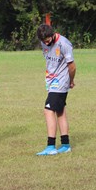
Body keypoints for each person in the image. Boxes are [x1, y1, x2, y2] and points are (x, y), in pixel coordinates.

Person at [35, 25, 76, 155]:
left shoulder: (64, 43)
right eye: (44, 41)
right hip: (51, 81)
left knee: (48, 110)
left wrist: (70, 81)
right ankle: (65, 144)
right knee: (60, 111)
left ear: (53, 34)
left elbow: (72, 66)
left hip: (61, 81)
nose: (46, 43)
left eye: (48, 40)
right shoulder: (43, 43)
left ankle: (51, 146)